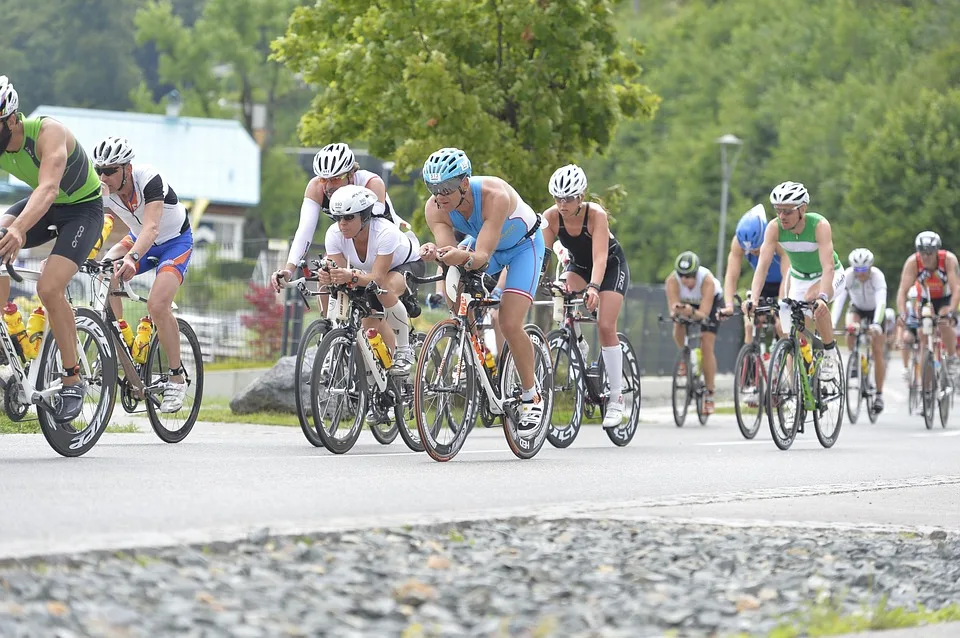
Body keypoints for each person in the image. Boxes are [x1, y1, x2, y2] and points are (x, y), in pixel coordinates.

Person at [418, 147, 546, 436]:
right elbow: (448, 249)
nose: (439, 196)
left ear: (465, 183)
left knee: (509, 322)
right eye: (433, 188)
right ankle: (468, 342)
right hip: (486, 248)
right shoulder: (434, 208)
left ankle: (531, 394)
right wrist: (436, 253)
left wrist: (455, 255)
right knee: (455, 282)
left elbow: (481, 258)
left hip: (523, 248)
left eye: (446, 188)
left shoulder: (494, 195)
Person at [0, 76, 104, 423]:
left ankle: (72, 378)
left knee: (48, 286)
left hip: (82, 209)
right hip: (48, 205)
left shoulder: (48, 133)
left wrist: (18, 228)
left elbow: (47, 189)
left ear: (12, 119)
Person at [93, 136, 194, 413]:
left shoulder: (149, 179)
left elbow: (151, 227)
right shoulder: (103, 188)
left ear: (127, 167)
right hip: (136, 240)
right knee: (103, 271)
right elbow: (95, 222)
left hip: (174, 242)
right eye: (100, 170)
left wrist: (133, 257)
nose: (104, 177)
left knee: (157, 304)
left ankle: (176, 377)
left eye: (111, 170)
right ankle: (119, 342)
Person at [540, 164, 630, 428]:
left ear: (581, 196)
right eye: (558, 198)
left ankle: (616, 398)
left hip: (610, 266)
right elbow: (543, 256)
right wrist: (535, 280)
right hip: (578, 266)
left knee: (605, 325)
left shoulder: (596, 215)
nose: (562, 204)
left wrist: (594, 287)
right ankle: (576, 339)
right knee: (560, 289)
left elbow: (600, 257)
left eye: (568, 198)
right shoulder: (551, 216)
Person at [271, 143, 415, 291]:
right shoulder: (316, 187)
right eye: (323, 179)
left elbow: (374, 228)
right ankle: (327, 315)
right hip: (353, 245)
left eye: (335, 179)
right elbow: (304, 231)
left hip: (387, 250)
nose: (327, 187)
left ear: (351, 174)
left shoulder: (372, 183)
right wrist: (289, 270)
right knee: (325, 274)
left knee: (380, 293)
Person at [315, 185, 424, 373]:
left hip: (404, 265)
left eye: (349, 217)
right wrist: (329, 275)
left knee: (384, 290)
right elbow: (339, 273)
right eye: (338, 217)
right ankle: (381, 382)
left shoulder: (385, 232)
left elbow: (378, 278)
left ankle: (404, 350)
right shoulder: (333, 234)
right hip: (367, 273)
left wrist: (350, 275)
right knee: (368, 331)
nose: (342, 224)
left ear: (365, 216)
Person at [745, 181, 844, 383]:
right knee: (789, 331)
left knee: (815, 302)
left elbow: (828, 267)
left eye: (788, 211)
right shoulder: (774, 228)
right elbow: (762, 266)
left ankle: (829, 354)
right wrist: (753, 299)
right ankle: (795, 389)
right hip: (799, 278)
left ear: (803, 209)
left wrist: (823, 297)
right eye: (778, 211)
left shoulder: (819, 225)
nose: (782, 216)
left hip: (828, 275)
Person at [830, 248, 888, 413]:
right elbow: (839, 300)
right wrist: (832, 323)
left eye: (863, 270)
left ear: (870, 268)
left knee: (877, 351)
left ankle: (879, 394)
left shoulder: (878, 277)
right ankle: (855, 358)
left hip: (875, 310)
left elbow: (881, 302)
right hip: (857, 308)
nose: (860, 274)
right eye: (857, 270)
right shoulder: (848, 276)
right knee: (850, 329)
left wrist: (876, 324)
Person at [895, 231, 960, 378]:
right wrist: (903, 313)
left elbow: (956, 289)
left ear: (937, 251)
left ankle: (951, 358)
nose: (925, 257)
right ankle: (926, 388)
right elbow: (902, 291)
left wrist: (951, 311)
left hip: (946, 298)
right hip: (926, 299)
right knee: (923, 334)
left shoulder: (948, 260)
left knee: (944, 322)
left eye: (930, 253)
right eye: (922, 252)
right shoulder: (913, 262)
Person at [721, 204, 790, 342]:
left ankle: (788, 357)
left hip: (785, 281)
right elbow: (731, 276)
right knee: (749, 321)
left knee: (781, 326)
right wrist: (728, 305)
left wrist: (781, 307)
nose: (754, 253)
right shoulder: (738, 243)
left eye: (757, 249)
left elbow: (787, 275)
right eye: (751, 251)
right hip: (762, 283)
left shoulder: (776, 239)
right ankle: (750, 359)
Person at [665, 251, 722, 414]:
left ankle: (710, 394)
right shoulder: (672, 281)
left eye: (689, 276)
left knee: (706, 344)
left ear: (696, 273)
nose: (685, 280)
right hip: (687, 306)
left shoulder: (707, 281)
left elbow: (703, 314)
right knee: (678, 325)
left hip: (709, 306)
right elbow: (673, 308)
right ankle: (685, 356)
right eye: (682, 275)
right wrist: (678, 311)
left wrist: (691, 311)